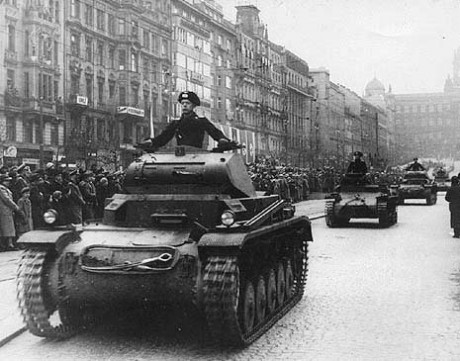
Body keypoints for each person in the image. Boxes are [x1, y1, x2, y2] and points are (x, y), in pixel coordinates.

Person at [139, 91, 230, 150]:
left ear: (193, 106)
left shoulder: (201, 121)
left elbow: (214, 132)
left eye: (188, 103)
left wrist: (222, 139)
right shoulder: (176, 123)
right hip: (180, 154)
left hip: (197, 154)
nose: (185, 105)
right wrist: (152, 142)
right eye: (183, 103)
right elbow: (164, 137)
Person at [0, 174, 20, 251]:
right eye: (6, 180)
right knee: (6, 228)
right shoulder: (1, 189)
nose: (8, 182)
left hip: (7, 210)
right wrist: (15, 207)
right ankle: (8, 245)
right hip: (4, 210)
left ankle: (8, 244)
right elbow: (7, 200)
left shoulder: (5, 188)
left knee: (8, 228)